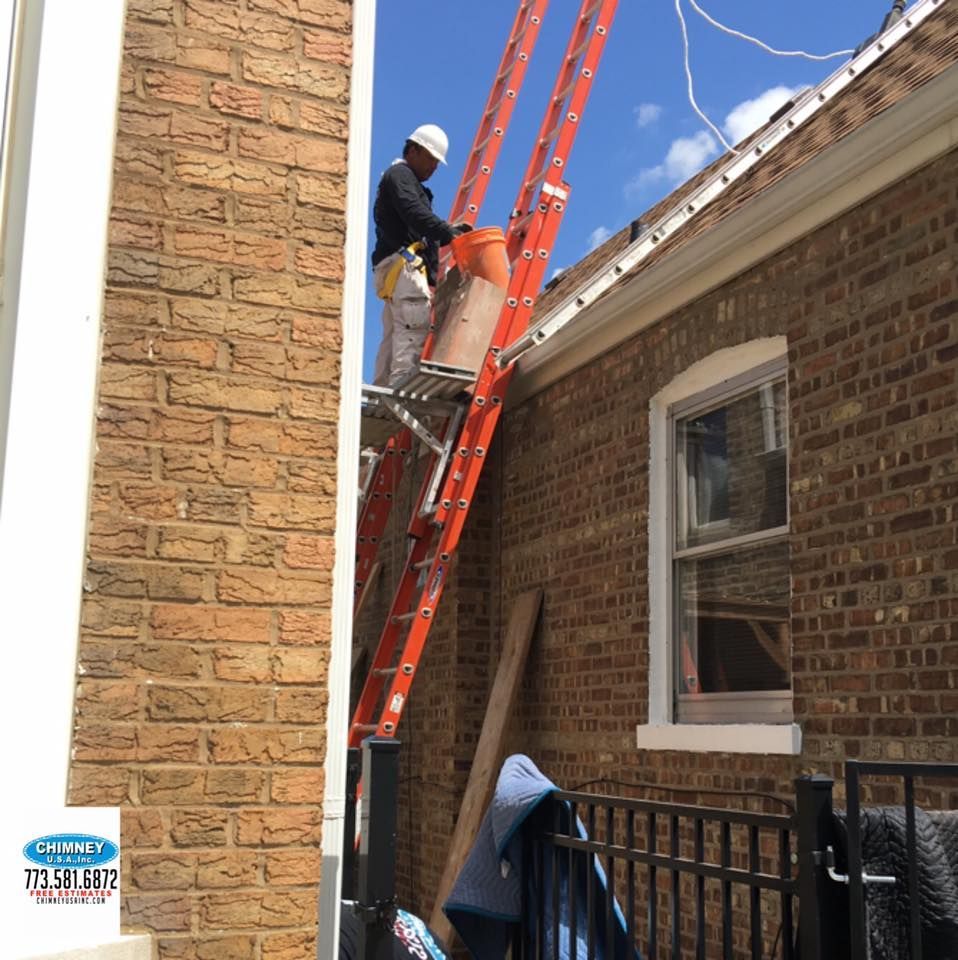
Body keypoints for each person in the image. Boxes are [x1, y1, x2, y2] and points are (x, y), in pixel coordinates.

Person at [371, 124, 471, 387]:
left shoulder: (404, 182)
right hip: (403, 267)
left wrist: (446, 230)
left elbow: (422, 224)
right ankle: (400, 390)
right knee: (411, 329)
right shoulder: (400, 175)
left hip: (395, 267)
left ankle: (383, 389)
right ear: (413, 150)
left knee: (394, 333)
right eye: (431, 159)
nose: (434, 167)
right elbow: (414, 212)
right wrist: (447, 232)